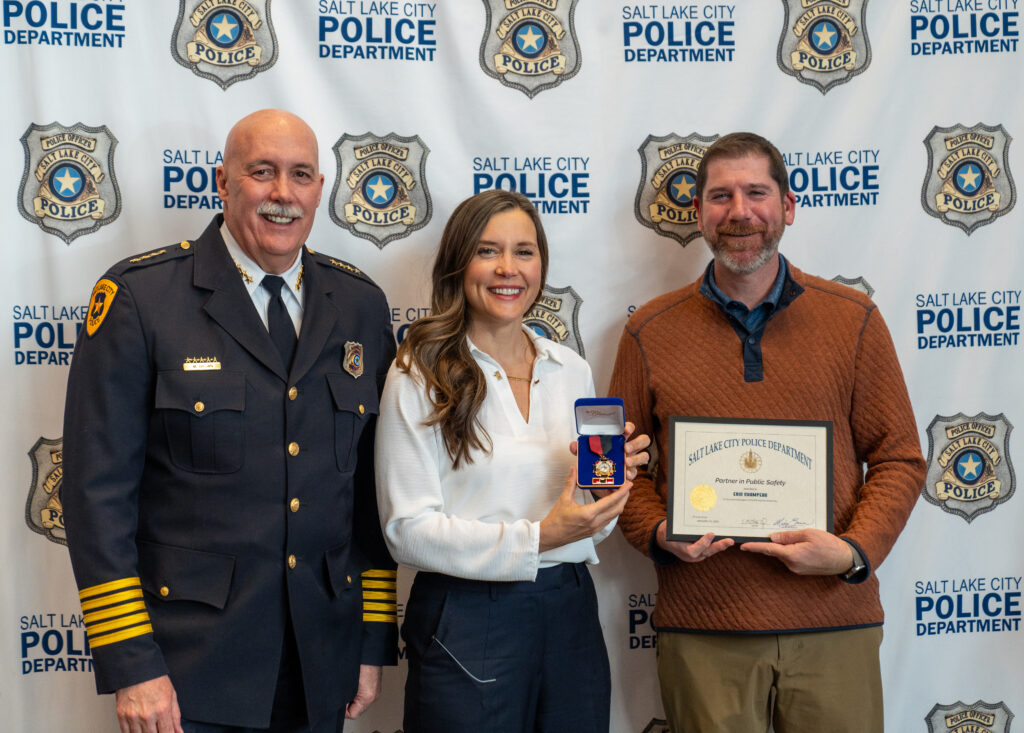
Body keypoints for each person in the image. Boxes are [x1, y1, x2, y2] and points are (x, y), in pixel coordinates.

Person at [62, 109, 398, 733]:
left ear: (320, 190)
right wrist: (132, 662)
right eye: (262, 172)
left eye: (300, 174)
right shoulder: (143, 298)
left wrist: (371, 638)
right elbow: (95, 497)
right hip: (190, 668)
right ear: (222, 182)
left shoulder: (359, 305)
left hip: (320, 656)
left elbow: (369, 496)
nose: (282, 193)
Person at [609, 132, 926, 733]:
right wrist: (656, 532)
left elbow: (900, 458)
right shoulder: (649, 330)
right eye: (720, 196)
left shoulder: (853, 319)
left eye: (756, 192)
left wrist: (854, 553)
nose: (739, 212)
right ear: (699, 213)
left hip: (835, 620)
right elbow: (622, 466)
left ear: (788, 206)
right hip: (703, 628)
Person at [374, 190, 650, 733]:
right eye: (488, 251)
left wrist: (609, 492)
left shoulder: (569, 368)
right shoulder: (417, 371)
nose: (508, 269)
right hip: (468, 614)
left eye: (524, 251)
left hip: (569, 607)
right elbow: (405, 531)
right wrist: (539, 537)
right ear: (458, 263)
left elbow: (590, 526)